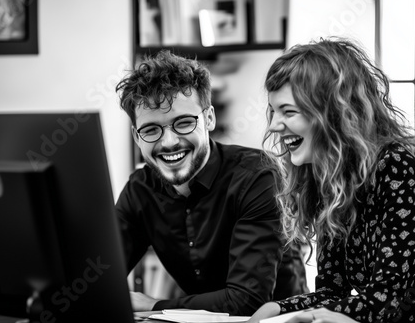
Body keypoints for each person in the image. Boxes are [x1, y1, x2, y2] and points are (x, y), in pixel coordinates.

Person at [248, 38, 415, 323]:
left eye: (288, 112)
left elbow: (383, 302)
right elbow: (333, 291)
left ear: (331, 114)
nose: (272, 125)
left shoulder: (395, 168)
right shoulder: (329, 179)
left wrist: (314, 316)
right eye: (273, 111)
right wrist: (279, 308)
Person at [114, 50, 308, 316]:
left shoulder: (257, 176)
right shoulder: (139, 190)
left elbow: (246, 301)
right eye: (150, 130)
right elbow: (99, 281)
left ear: (209, 119)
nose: (169, 142)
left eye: (182, 123)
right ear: (137, 137)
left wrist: (153, 306)